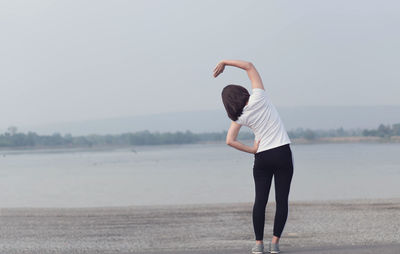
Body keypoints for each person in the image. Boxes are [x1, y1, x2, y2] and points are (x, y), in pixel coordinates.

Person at [213, 59, 294, 254]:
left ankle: (258, 245)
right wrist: (225, 62)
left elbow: (230, 140)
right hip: (282, 152)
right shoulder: (260, 97)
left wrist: (253, 150)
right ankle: (274, 244)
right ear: (242, 91)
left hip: (262, 158)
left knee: (260, 201)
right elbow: (249, 65)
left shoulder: (240, 117)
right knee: (281, 200)